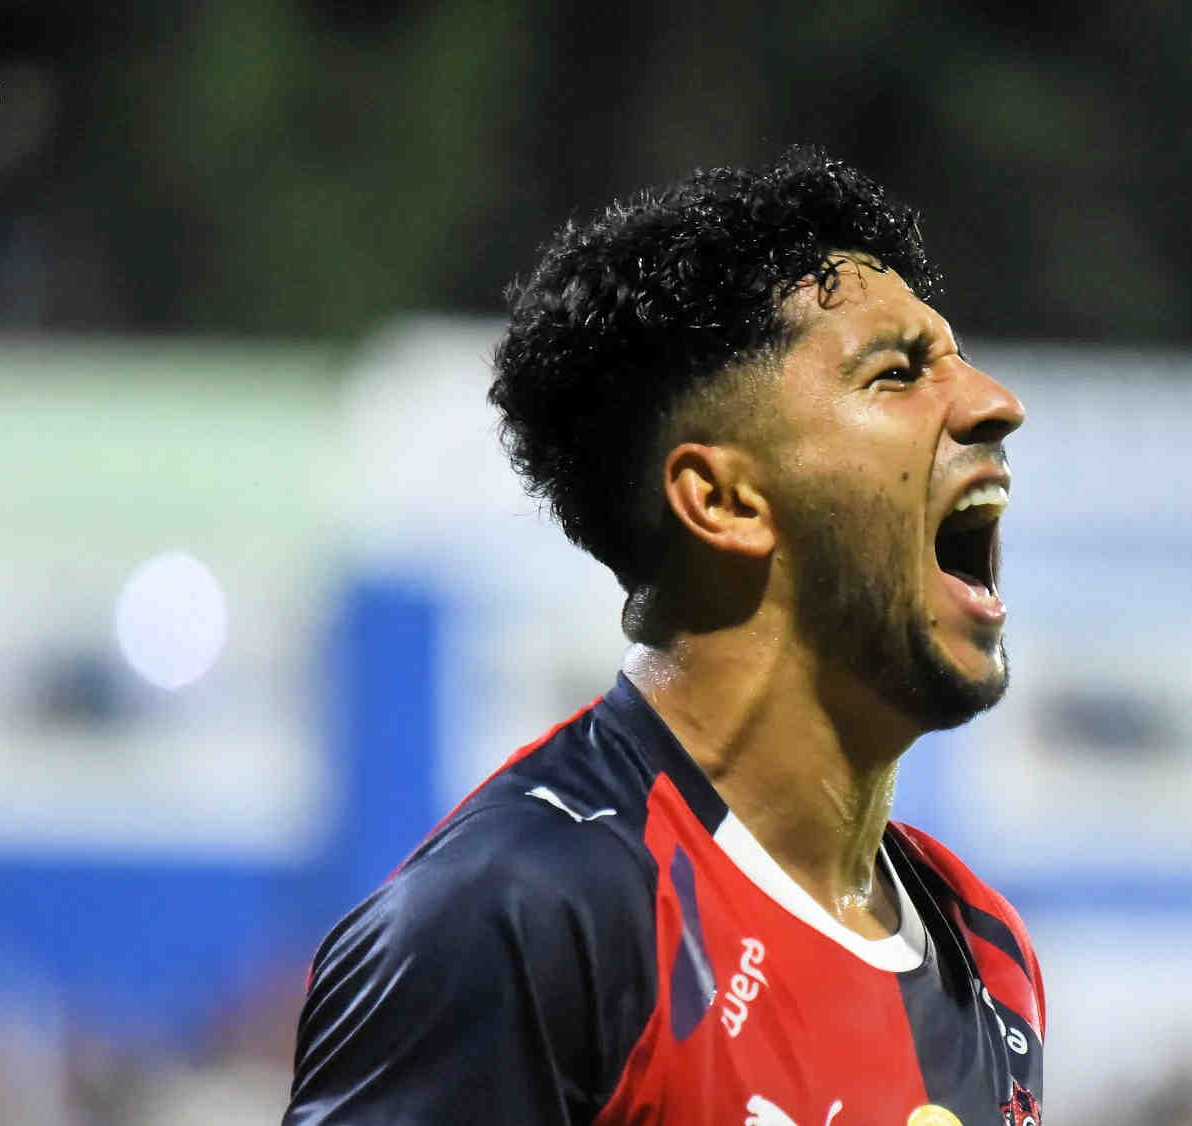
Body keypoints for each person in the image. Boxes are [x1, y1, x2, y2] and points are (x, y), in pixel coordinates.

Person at [284, 147, 1043, 1125]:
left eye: (958, 361)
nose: (994, 402)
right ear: (722, 500)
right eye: (896, 374)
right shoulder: (522, 918)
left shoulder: (983, 952)